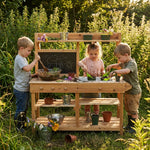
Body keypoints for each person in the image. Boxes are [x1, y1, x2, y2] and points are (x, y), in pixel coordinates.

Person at [106, 43, 141, 133]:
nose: (119, 60)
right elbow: (119, 65)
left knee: (133, 110)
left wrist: (116, 71)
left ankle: (135, 128)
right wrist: (111, 66)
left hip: (134, 91)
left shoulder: (131, 63)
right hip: (128, 90)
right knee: (128, 109)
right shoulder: (125, 62)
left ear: (126, 55)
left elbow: (126, 71)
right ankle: (130, 125)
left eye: (119, 57)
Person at [13, 36, 40, 132]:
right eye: (28, 51)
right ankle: (18, 127)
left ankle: (23, 124)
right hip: (20, 90)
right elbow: (27, 68)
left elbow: (25, 73)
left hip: (24, 89)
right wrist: (35, 60)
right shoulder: (19, 58)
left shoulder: (23, 58)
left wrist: (32, 75)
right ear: (21, 49)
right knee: (21, 108)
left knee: (24, 108)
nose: (29, 53)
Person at [78, 42, 105, 121]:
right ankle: (87, 115)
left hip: (96, 83)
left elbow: (102, 70)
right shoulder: (86, 60)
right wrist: (83, 66)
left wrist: (103, 73)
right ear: (88, 53)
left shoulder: (100, 61)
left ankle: (96, 115)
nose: (93, 56)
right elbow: (79, 62)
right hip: (87, 83)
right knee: (87, 100)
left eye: (95, 54)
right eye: (91, 54)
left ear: (99, 53)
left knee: (96, 100)